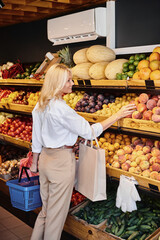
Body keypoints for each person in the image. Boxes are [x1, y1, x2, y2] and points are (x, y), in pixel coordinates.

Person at [30, 63, 136, 240]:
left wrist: (34, 163)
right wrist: (117, 115)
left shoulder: (41, 104)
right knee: (56, 217)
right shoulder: (62, 109)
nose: (72, 83)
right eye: (68, 80)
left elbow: (36, 138)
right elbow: (89, 132)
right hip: (61, 162)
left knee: (46, 211)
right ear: (57, 83)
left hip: (45, 160)